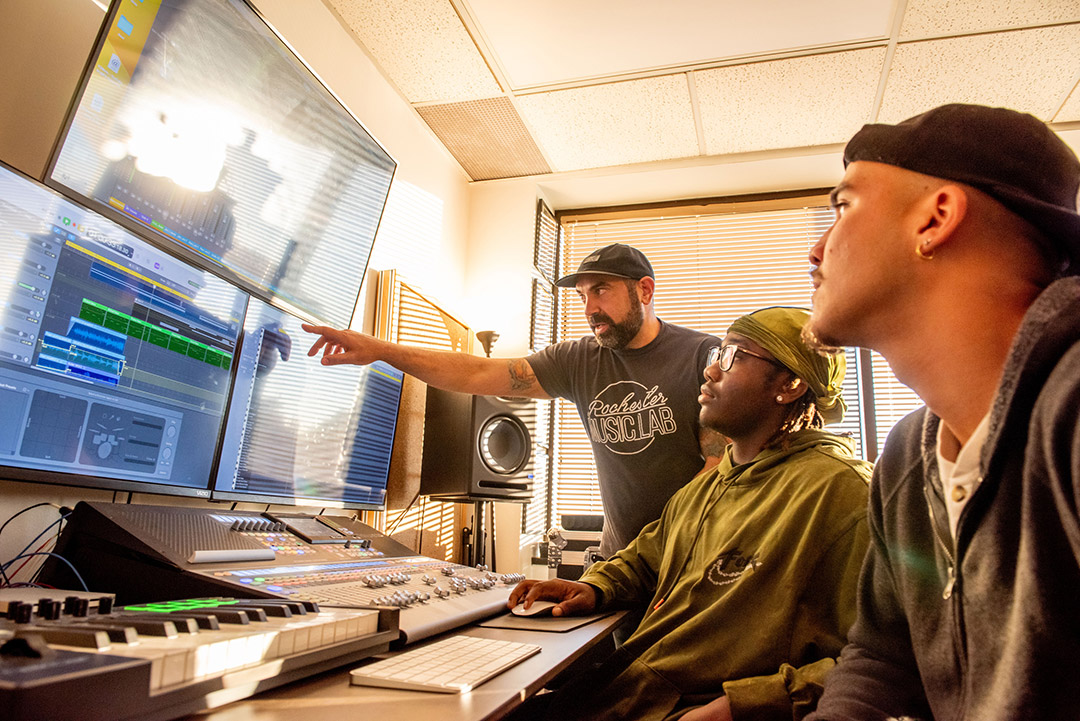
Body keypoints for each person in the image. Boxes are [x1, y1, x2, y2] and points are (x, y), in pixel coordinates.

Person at [802, 104, 1080, 721]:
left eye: (842, 207)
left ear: (936, 217)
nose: (816, 249)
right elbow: (881, 655)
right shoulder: (907, 455)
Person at [508, 306, 871, 721]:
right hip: (625, 692)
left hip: (685, 709)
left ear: (790, 384)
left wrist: (740, 705)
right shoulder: (707, 487)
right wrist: (594, 588)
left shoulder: (843, 493)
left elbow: (885, 660)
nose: (711, 372)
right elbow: (645, 557)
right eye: (717, 355)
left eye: (733, 357)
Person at [304, 243, 722, 556]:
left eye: (602, 291)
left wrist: (659, 555)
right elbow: (477, 372)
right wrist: (381, 349)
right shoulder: (577, 360)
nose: (590, 308)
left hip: (687, 558)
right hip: (618, 565)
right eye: (582, 296)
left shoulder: (702, 355)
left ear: (644, 291)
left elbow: (718, 468)